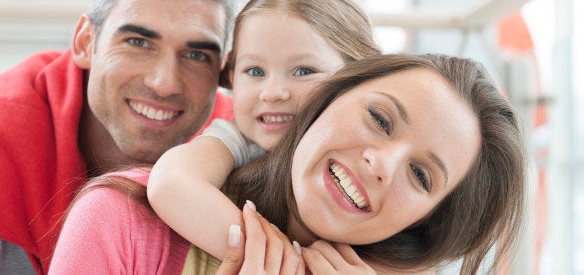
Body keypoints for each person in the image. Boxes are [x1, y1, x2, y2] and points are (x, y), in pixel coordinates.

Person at [49, 53, 527, 274]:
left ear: (425, 221)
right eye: (380, 119)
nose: (382, 163)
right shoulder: (119, 221)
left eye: (421, 176)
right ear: (324, 100)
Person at [0, 0, 236, 273]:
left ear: (224, 72)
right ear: (85, 43)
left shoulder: (248, 152)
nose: (165, 83)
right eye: (138, 42)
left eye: (197, 55)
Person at [147, 0, 381, 262]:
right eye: (255, 72)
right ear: (232, 78)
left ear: (359, 77)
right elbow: (170, 184)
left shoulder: (377, 157)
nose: (272, 93)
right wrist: (281, 261)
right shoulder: (238, 139)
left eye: (303, 71)